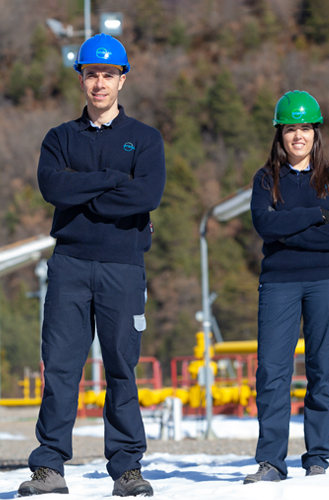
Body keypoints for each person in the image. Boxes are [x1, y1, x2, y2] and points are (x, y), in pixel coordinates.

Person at [18, 33, 165, 497]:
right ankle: (49, 468)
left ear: (122, 79)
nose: (99, 83)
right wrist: (108, 182)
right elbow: (54, 190)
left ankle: (127, 469)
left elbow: (147, 196)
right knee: (60, 366)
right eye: (91, 74)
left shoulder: (145, 139)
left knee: (122, 366)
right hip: (70, 265)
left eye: (108, 74)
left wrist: (85, 191)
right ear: (80, 78)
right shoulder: (59, 138)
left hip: (123, 265)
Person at [244, 90, 329, 484]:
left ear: (316, 133)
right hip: (279, 284)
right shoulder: (265, 179)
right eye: (291, 128)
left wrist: (289, 229)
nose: (298, 136)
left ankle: (318, 458)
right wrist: (315, 216)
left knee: (322, 370)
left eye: (305, 128)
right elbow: (266, 226)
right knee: (272, 372)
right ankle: (272, 462)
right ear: (280, 134)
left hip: (328, 282)